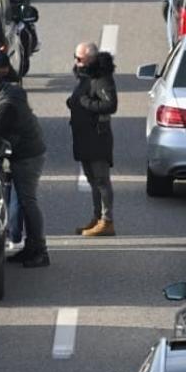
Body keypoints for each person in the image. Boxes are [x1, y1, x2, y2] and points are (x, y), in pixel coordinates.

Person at [0, 70, 49, 267]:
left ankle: (40, 250)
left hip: (27, 155)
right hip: (26, 151)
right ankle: (31, 248)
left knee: (28, 201)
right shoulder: (9, 93)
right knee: (25, 201)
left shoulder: (5, 105)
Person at [67, 42, 118, 236]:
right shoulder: (85, 76)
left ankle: (107, 220)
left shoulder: (101, 78)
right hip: (84, 136)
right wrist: (73, 102)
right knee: (92, 180)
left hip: (97, 137)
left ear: (91, 59)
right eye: (75, 57)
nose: (76, 61)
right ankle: (97, 218)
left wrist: (84, 102)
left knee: (101, 180)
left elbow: (110, 105)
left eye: (79, 59)